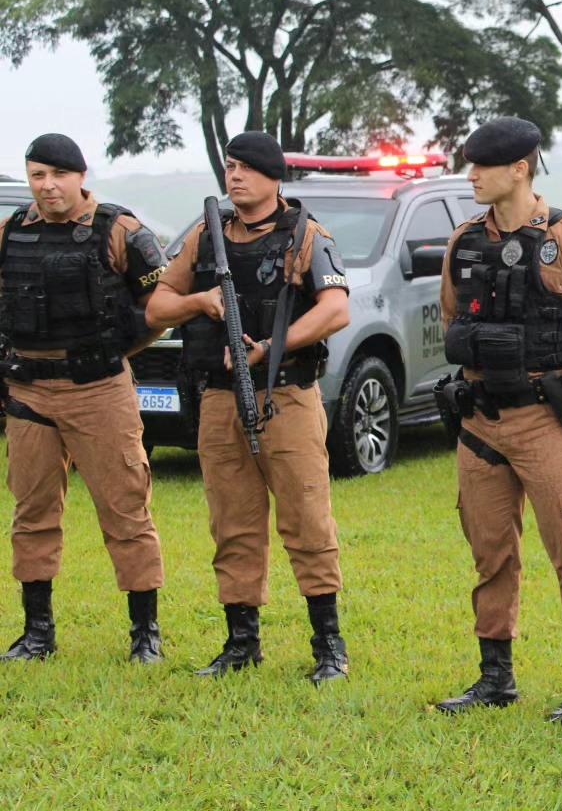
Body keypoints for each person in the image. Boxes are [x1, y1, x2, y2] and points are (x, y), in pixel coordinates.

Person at [432, 116, 562, 723]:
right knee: (490, 551)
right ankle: (496, 677)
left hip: (547, 422)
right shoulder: (464, 240)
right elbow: (450, 322)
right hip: (480, 423)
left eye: (482, 167)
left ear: (520, 169)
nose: (471, 176)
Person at [145, 131, 352, 685]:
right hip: (218, 399)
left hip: (284, 393)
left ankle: (328, 645)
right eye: (230, 167)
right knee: (232, 521)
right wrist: (199, 301)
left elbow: (335, 309)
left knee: (307, 518)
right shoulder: (205, 235)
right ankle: (242, 642)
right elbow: (157, 305)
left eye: (246, 168)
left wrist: (269, 348)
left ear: (272, 177)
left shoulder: (305, 235)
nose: (234, 176)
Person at [0, 133, 168, 663]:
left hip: (98, 389)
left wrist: (119, 349)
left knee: (125, 508)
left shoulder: (119, 230)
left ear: (80, 175)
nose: (47, 186)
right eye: (36, 176)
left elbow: (157, 308)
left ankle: (145, 635)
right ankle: (38, 634)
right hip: (29, 389)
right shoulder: (10, 232)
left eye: (57, 175)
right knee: (32, 512)